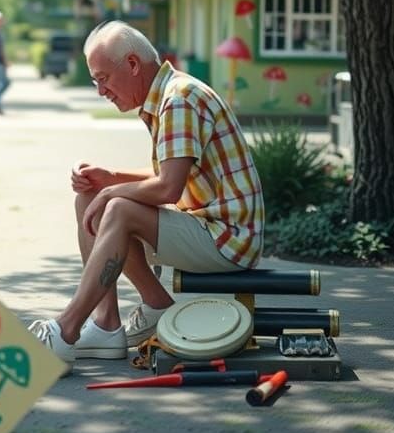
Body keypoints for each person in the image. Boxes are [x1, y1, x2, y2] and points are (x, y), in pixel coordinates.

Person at [29, 20, 265, 372]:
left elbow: (167, 188)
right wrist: (109, 179)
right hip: (206, 226)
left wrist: (112, 192)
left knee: (117, 208)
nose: (100, 91)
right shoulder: (168, 94)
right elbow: (171, 175)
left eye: (102, 79)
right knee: (93, 197)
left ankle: (66, 330)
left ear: (133, 65)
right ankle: (107, 324)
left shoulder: (179, 100)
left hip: (230, 239)